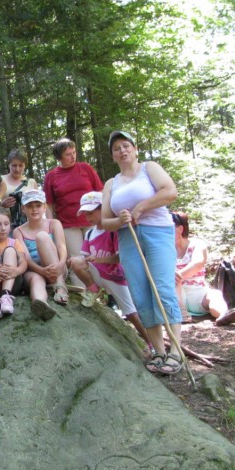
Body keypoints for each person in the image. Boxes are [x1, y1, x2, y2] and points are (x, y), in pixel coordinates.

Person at [100, 130, 182, 376]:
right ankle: (159, 350)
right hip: (128, 238)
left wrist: (141, 207)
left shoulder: (149, 168)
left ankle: (176, 351)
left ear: (135, 149)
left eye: (126, 146)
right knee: (140, 294)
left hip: (157, 231)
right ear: (113, 156)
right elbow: (105, 221)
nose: (122, 151)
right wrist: (120, 220)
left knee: (162, 289)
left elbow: (170, 191)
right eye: (117, 148)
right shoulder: (111, 184)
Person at [69, 192, 151, 348]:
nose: (87, 217)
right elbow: (84, 257)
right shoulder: (90, 233)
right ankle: (93, 290)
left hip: (115, 276)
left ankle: (150, 343)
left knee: (131, 313)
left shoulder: (113, 231)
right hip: (97, 273)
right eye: (85, 214)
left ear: (103, 209)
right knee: (76, 261)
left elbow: (119, 258)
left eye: (91, 212)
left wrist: (99, 259)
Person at [43, 137, 104, 289]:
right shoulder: (52, 176)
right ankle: (81, 293)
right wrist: (50, 225)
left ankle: (104, 294)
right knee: (76, 259)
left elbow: (101, 191)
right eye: (68, 154)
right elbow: (49, 204)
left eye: (74, 153)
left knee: (97, 257)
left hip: (93, 221)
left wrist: (104, 215)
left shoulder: (85, 168)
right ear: (59, 157)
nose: (73, 157)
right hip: (68, 225)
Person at [172, 211, 235, 326]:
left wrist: (179, 275)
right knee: (173, 282)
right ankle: (181, 314)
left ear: (180, 229)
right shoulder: (166, 249)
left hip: (198, 292)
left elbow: (198, 263)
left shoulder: (197, 244)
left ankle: (224, 315)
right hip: (176, 294)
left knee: (214, 295)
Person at [12, 189, 65, 318]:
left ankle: (60, 286)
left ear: (45, 207)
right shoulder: (18, 231)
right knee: (36, 279)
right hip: (35, 270)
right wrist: (41, 271)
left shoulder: (54, 223)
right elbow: (26, 258)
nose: (34, 209)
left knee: (42, 236)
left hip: (56, 269)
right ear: (23, 209)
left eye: (38, 205)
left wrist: (61, 264)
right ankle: (40, 303)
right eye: (30, 206)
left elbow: (61, 246)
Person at [1, 149, 38, 230]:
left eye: (20, 165)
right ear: (9, 164)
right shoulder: (0, 181)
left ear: (25, 165)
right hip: (5, 226)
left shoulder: (31, 182)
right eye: (14, 165)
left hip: (28, 226)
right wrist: (1, 204)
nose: (17, 169)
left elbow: (38, 206)